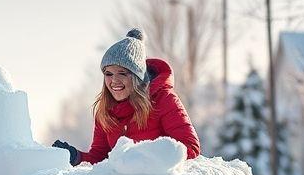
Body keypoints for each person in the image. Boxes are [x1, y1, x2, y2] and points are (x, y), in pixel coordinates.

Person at [53, 28, 200, 165]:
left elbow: (191, 148)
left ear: (137, 77)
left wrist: (143, 160)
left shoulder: (164, 100)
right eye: (108, 74)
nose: (114, 81)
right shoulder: (105, 112)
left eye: (122, 73)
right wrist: (75, 157)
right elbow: (100, 157)